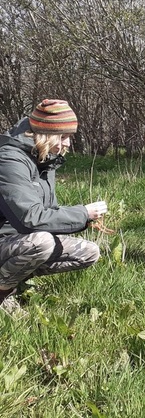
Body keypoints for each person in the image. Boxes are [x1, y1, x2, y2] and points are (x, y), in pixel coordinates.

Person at [0, 99, 105, 305]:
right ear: (44, 135)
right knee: (41, 243)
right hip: (7, 239)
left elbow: (47, 210)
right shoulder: (9, 160)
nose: (67, 144)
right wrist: (82, 213)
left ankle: (12, 281)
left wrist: (83, 220)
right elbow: (30, 220)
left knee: (88, 252)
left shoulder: (44, 158)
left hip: (16, 241)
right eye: (63, 137)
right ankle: (4, 293)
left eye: (69, 137)